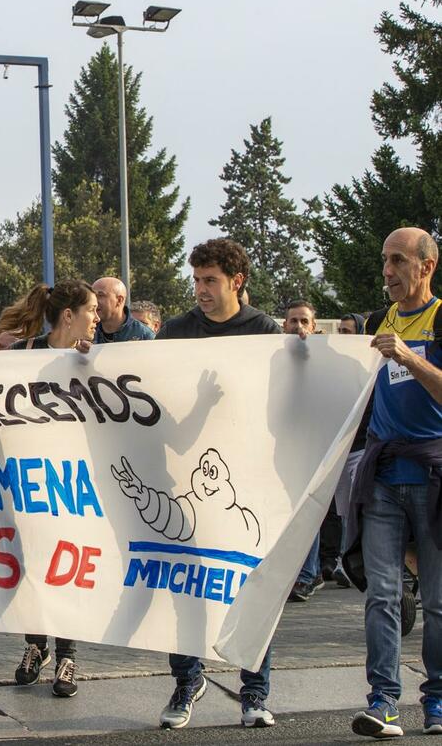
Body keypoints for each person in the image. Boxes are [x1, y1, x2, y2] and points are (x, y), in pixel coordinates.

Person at [151, 239, 283, 729]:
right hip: (186, 476)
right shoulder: (177, 331)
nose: (201, 290)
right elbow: (149, 387)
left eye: (210, 280)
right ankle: (187, 681)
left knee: (250, 586)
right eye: (197, 280)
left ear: (236, 282)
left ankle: (254, 693)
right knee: (184, 586)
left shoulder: (264, 331)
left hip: (248, 480)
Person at [344, 227, 442, 738]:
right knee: (381, 595)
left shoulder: (440, 319)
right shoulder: (375, 323)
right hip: (382, 478)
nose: (387, 271)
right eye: (385, 260)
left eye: (398, 260)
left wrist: (409, 357)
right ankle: (383, 701)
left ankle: (438, 700)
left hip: (433, 478)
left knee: (438, 602)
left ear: (427, 265)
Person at [3, 280, 96, 698]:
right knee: (33, 567)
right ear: (69, 316)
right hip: (28, 480)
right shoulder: (23, 353)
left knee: (68, 568)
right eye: (91, 310)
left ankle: (67, 656)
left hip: (75, 483)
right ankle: (36, 645)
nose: (96, 318)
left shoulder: (93, 358)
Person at [280, 300, 327, 604]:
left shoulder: (323, 359)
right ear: (284, 325)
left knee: (307, 508)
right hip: (281, 445)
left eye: (304, 321)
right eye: (293, 321)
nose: (298, 326)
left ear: (314, 326)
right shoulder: (274, 357)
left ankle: (307, 575)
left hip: (312, 444)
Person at [91, 277, 155, 343]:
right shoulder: (87, 333)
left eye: (100, 295)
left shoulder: (144, 336)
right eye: (93, 296)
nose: (94, 301)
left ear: (119, 300)